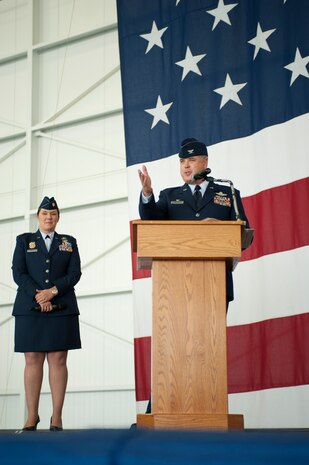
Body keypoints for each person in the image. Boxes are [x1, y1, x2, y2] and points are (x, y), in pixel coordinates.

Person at [138, 137, 251, 414]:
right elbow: (151, 222)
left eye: (191, 161)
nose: (186, 166)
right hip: (174, 288)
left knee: (207, 352)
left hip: (215, 285)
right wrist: (148, 194)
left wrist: (220, 230)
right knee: (172, 348)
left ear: (205, 162)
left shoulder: (228, 193)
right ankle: (160, 412)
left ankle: (208, 412)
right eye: (182, 162)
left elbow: (244, 234)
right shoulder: (168, 195)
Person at [12, 196, 82, 432]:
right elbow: (18, 273)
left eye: (53, 214)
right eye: (44, 214)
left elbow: (74, 274)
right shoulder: (24, 241)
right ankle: (32, 417)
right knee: (32, 358)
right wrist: (38, 295)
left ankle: (57, 418)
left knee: (58, 359)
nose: (49, 217)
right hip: (29, 307)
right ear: (38, 217)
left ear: (58, 217)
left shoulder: (69, 242)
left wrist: (52, 292)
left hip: (61, 307)